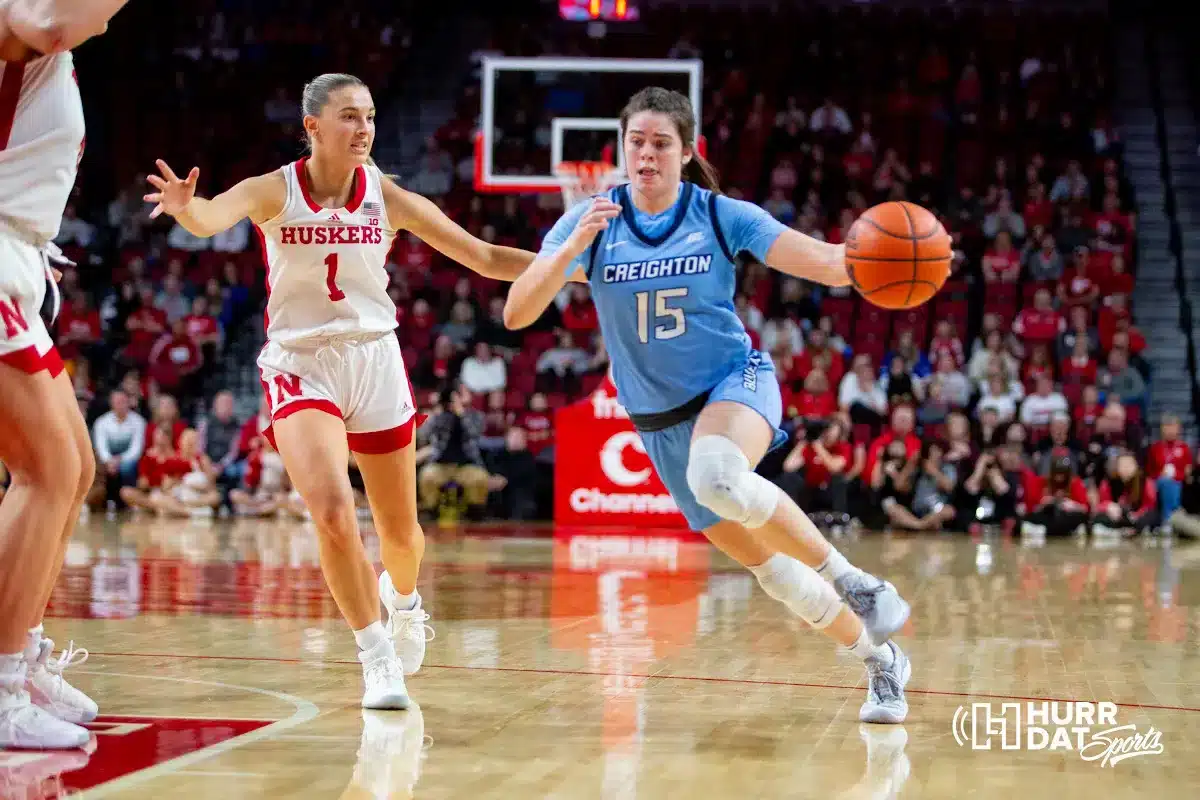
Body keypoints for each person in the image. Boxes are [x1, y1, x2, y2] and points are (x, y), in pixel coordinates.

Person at [504, 86, 912, 724]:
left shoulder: (723, 216)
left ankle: (857, 582)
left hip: (734, 383)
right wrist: (566, 249)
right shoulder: (592, 220)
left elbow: (830, 264)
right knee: (769, 571)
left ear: (686, 152)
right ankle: (880, 662)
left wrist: (888, 261)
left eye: (661, 143)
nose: (646, 154)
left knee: (718, 474)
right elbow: (516, 311)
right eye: (635, 142)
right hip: (659, 424)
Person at [143, 73, 540, 710]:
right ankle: (376, 656)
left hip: (374, 361)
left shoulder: (389, 196)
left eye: (371, 118)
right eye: (350, 117)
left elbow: (487, 257)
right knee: (331, 512)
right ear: (313, 127)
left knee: (403, 537)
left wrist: (573, 262)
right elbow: (210, 217)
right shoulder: (274, 190)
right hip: (300, 363)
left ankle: (405, 604)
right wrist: (188, 206)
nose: (364, 130)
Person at [0, 0, 133, 750]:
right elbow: (45, 20)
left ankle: (22, 649)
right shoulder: (25, 23)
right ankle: (1, 681)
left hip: (19, 256)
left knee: (74, 468)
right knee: (45, 469)